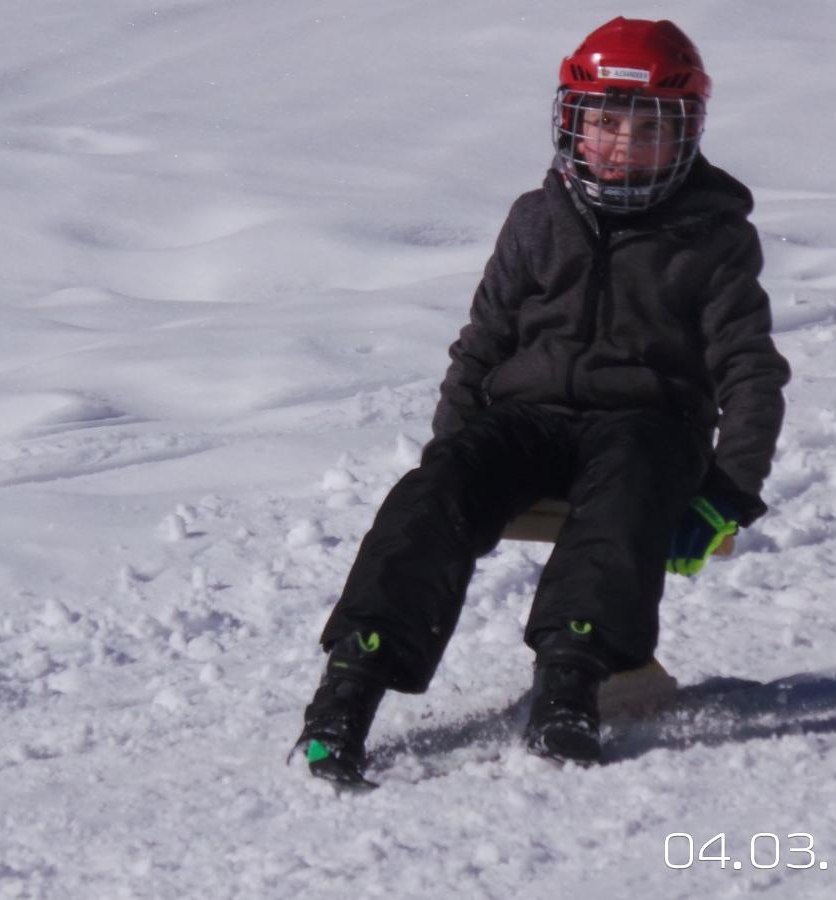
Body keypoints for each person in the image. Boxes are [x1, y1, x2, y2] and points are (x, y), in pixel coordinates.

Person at [294, 16, 790, 785]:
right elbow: (482, 345)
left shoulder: (712, 237)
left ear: (684, 134)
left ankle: (572, 679)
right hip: (530, 419)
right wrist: (455, 459)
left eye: (646, 128)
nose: (621, 145)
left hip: (648, 424)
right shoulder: (538, 218)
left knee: (627, 489)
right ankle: (350, 686)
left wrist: (728, 493)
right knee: (433, 493)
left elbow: (752, 373)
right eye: (603, 123)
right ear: (572, 124)